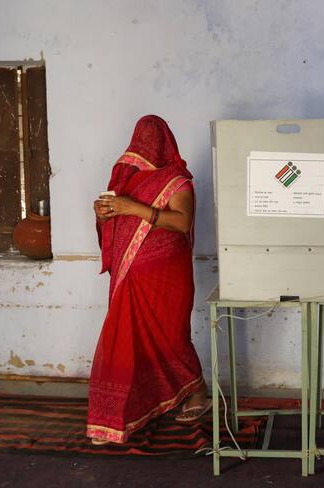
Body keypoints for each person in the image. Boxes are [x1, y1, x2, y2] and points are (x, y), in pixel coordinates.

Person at [87, 115, 210, 445]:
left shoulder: (177, 180)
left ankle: (198, 394)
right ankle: (121, 416)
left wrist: (131, 207)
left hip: (167, 279)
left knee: (171, 339)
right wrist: (105, 214)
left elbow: (181, 223)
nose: (142, 146)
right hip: (131, 279)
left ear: (162, 142)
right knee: (126, 341)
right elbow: (117, 223)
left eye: (149, 138)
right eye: (139, 138)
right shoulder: (128, 179)